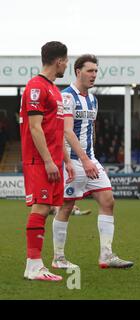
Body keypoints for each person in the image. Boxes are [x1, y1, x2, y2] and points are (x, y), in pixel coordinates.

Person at [51, 54, 133, 269]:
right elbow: (67, 132)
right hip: (73, 160)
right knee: (67, 207)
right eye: (90, 71)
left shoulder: (93, 99)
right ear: (78, 71)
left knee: (108, 201)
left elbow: (91, 130)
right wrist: (81, 160)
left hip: (89, 159)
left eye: (96, 71)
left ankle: (106, 255)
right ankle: (58, 258)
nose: (94, 75)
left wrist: (92, 158)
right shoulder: (67, 96)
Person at [20, 41, 74, 281]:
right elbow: (35, 127)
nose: (67, 64)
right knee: (40, 208)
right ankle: (33, 266)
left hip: (53, 161)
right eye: (66, 60)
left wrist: (66, 161)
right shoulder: (35, 86)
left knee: (48, 208)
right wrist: (49, 161)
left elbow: (56, 130)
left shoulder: (54, 89)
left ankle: (37, 264)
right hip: (40, 160)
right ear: (59, 61)